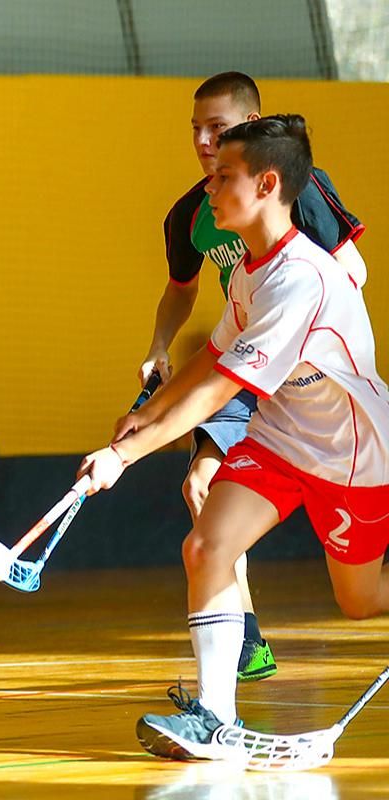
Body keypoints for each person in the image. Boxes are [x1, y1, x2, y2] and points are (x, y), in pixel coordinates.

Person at [78, 116, 389, 762]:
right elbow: (215, 353)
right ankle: (215, 720)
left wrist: (122, 456)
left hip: (350, 455)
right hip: (279, 437)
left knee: (360, 602)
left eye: (224, 177)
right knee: (206, 546)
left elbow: (221, 388)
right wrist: (148, 413)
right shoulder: (251, 268)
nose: (210, 187)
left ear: (267, 184)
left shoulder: (303, 279)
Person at [139, 71, 366, 682]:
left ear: (251, 126)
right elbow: (180, 289)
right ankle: (246, 642)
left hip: (315, 384)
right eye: (195, 129)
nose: (203, 141)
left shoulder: (299, 188)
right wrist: (160, 347)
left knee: (358, 585)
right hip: (245, 365)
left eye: (218, 127)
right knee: (200, 485)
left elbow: (353, 270)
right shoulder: (192, 214)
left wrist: (301, 332)